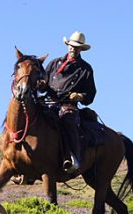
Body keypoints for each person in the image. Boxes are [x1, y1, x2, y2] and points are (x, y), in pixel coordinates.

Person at [39, 31, 96, 173]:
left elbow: (91, 94)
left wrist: (80, 96)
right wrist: (41, 85)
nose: (73, 48)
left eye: (76, 47)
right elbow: (44, 84)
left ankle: (73, 158)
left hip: (68, 106)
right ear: (67, 45)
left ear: (81, 49)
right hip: (48, 102)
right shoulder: (54, 63)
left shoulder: (85, 69)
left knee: (69, 122)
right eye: (71, 45)